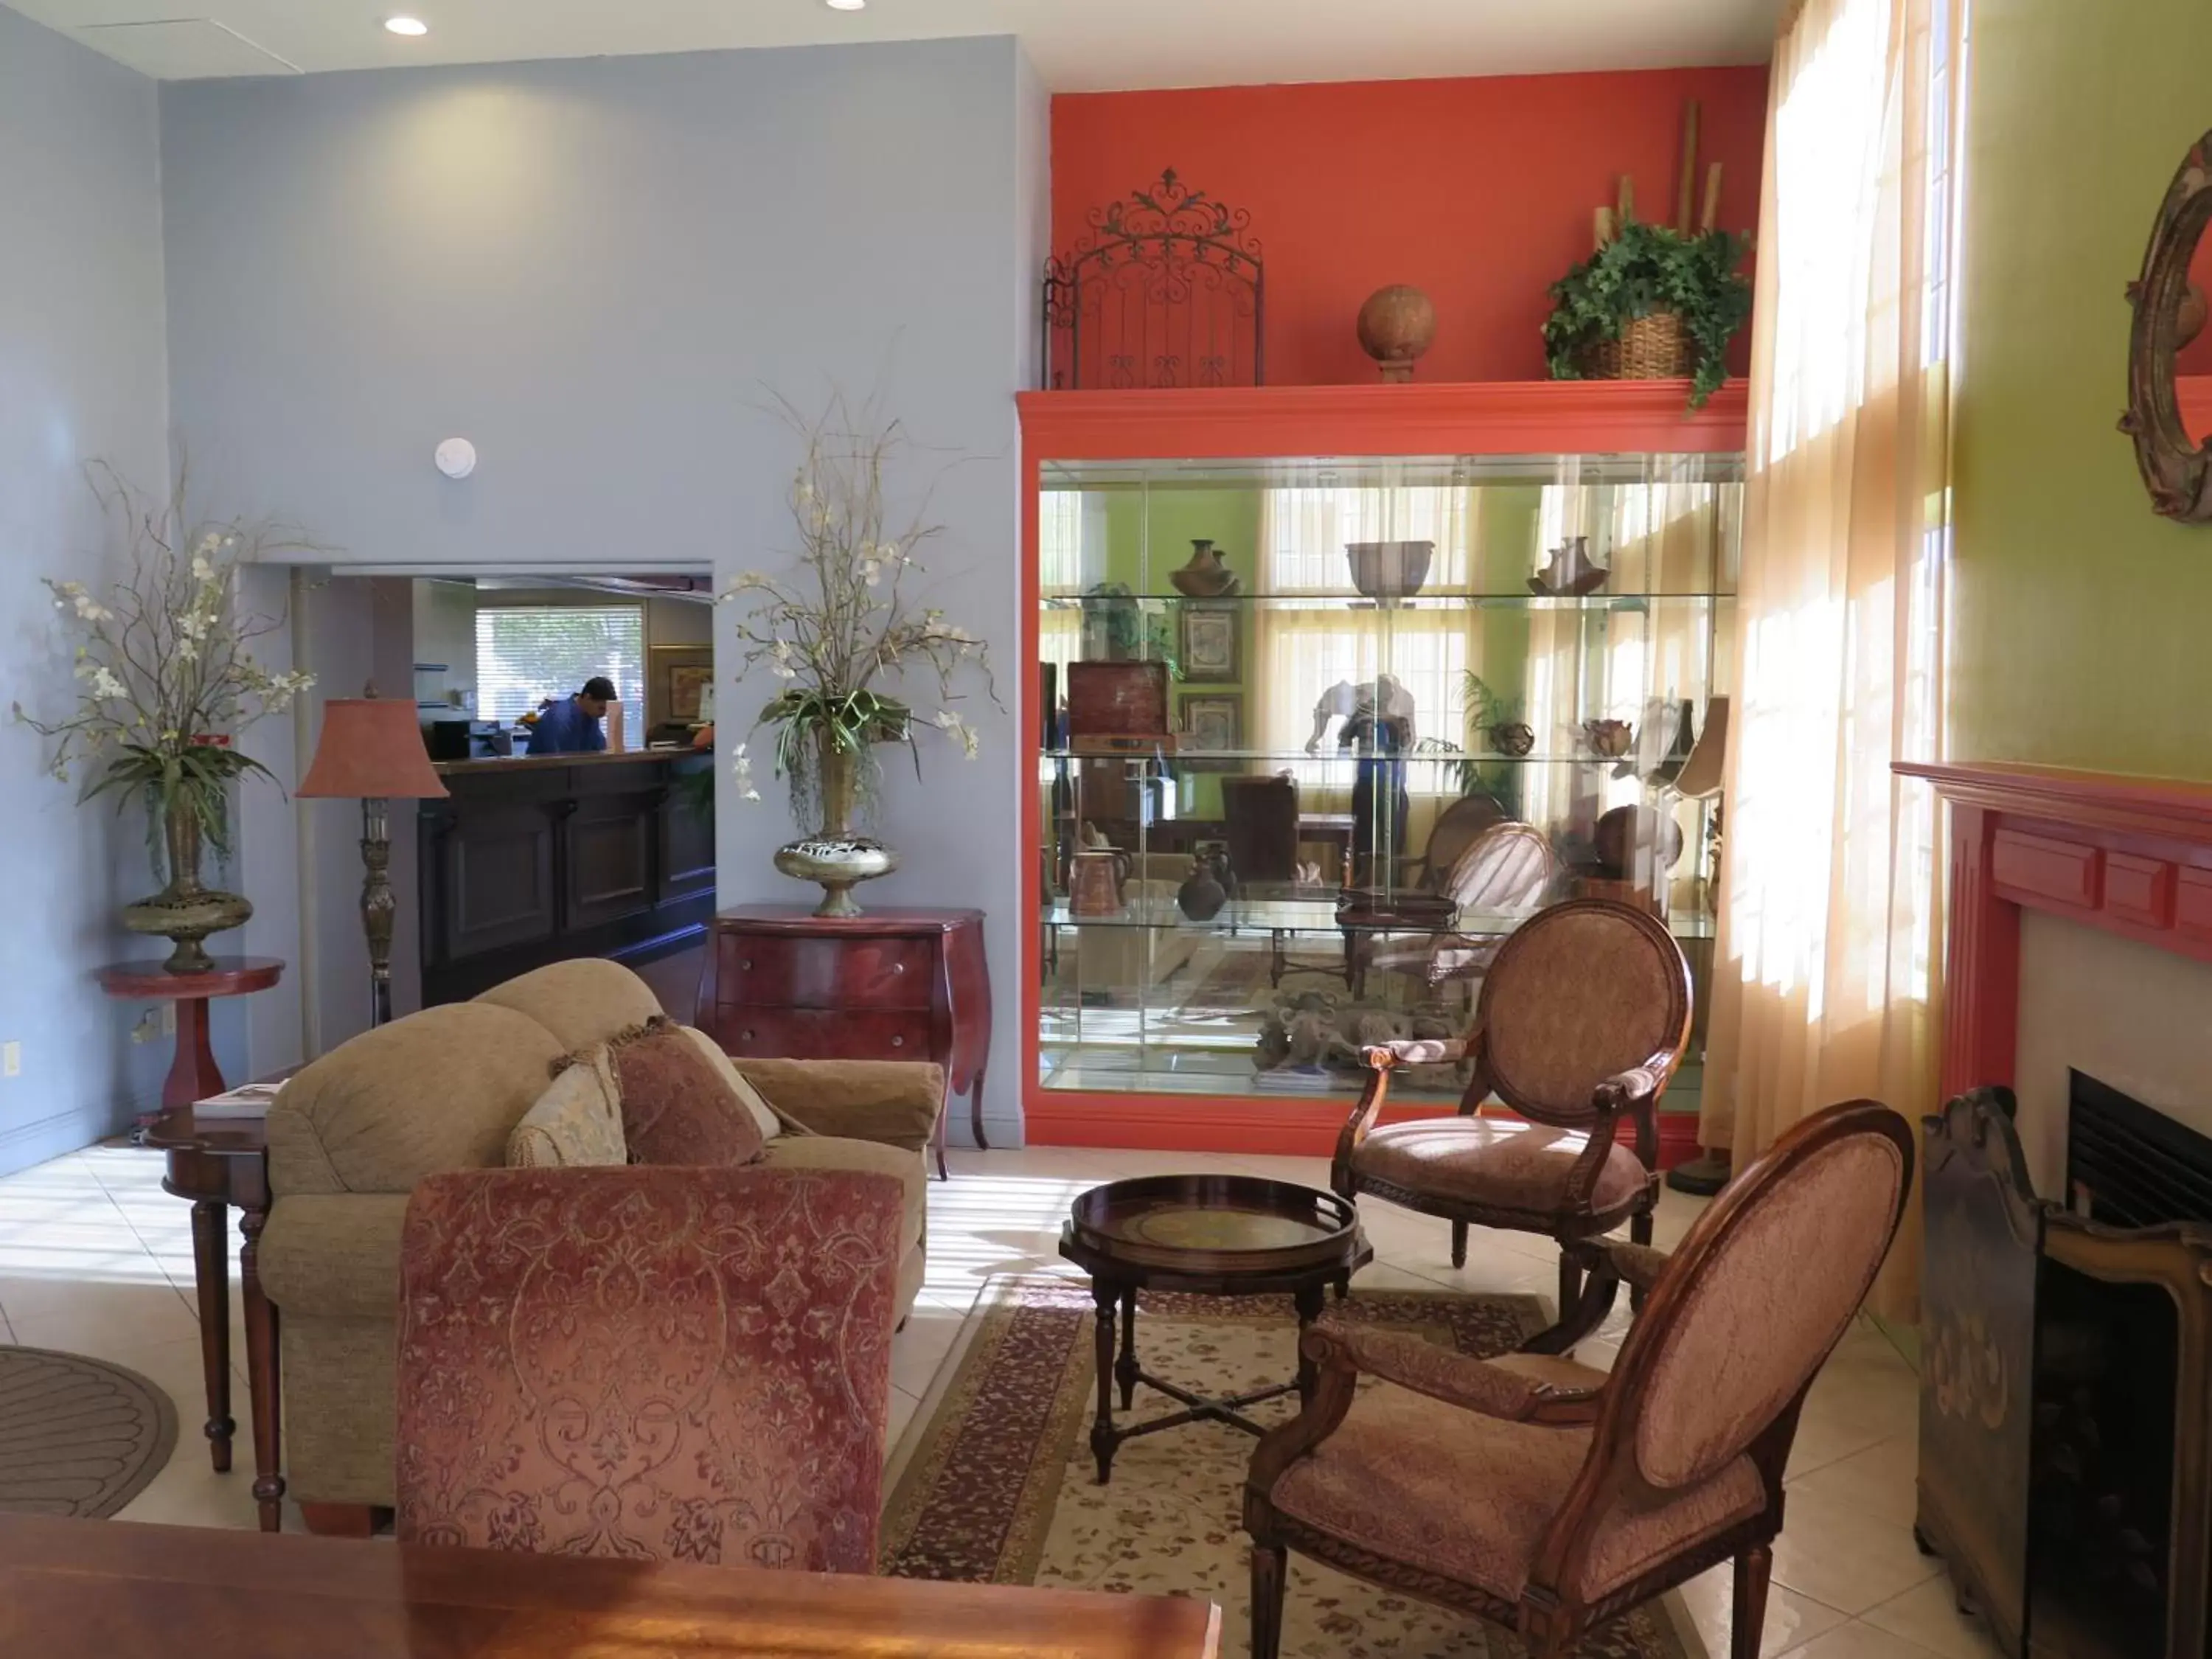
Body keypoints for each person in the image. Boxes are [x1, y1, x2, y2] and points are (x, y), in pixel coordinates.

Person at [525, 676, 615, 755]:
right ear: (588, 697)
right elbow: (562, 761)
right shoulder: (560, 718)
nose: (604, 714)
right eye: (601, 708)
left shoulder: (590, 713)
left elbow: (600, 749)